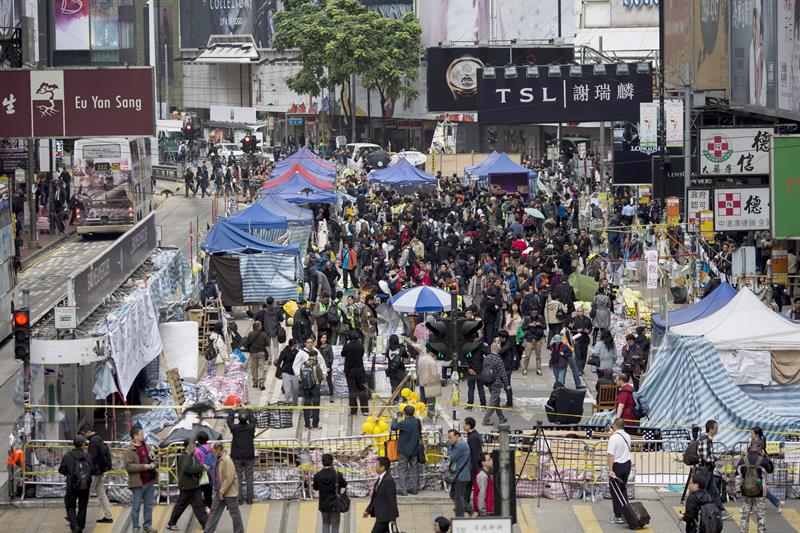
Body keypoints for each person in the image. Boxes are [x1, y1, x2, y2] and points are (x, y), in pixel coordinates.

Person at [735, 427, 774, 533]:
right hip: (760, 489)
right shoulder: (763, 460)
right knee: (761, 512)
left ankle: (743, 530)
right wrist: (766, 456)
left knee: (745, 512)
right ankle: (761, 530)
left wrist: (738, 490)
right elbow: (770, 470)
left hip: (745, 490)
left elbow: (738, 477)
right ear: (760, 448)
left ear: (750, 447)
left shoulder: (743, 460)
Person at [166, 439, 208, 531]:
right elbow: (189, 469)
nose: (195, 448)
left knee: (198, 505)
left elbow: (195, 467)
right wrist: (201, 467)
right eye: (193, 446)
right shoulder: (184, 457)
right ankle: (172, 522)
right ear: (189, 447)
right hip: (187, 486)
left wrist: (200, 469)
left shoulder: (192, 456)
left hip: (194, 485)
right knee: (182, 505)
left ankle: (206, 525)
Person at [204, 442, 245, 533]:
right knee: (214, 512)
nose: (211, 453)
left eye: (212, 451)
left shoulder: (227, 460)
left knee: (234, 514)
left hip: (229, 492)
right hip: (219, 491)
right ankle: (207, 531)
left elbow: (229, 477)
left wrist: (222, 491)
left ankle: (239, 531)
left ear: (218, 450)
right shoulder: (218, 459)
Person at [124, 426, 158, 533]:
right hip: (138, 483)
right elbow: (129, 466)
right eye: (141, 434)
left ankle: (147, 525)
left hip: (149, 480)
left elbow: (155, 459)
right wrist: (143, 467)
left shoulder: (147, 446)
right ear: (135, 436)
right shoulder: (129, 451)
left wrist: (154, 464)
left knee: (148, 505)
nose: (143, 435)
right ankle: (135, 527)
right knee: (136, 506)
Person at [79, 425, 113, 524]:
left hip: (94, 473)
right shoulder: (99, 438)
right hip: (99, 472)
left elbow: (92, 458)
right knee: (102, 494)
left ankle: (77, 516)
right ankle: (108, 515)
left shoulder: (93, 441)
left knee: (84, 494)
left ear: (88, 431)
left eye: (84, 434)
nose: (84, 437)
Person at [697, 419, 731, 519]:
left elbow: (707, 455)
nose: (717, 430)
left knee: (714, 491)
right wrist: (713, 459)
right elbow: (704, 457)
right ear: (711, 429)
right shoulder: (704, 439)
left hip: (708, 470)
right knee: (702, 492)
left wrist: (715, 457)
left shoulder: (708, 439)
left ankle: (721, 511)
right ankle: (695, 512)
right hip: (705, 470)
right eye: (716, 428)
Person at [58, 436, 92, 533]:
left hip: (71, 485)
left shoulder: (68, 456)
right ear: (82, 445)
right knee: (83, 505)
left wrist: (70, 474)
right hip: (85, 485)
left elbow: (61, 470)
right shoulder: (87, 456)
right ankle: (80, 526)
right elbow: (92, 469)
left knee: (70, 505)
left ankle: (74, 525)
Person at [227, 406, 256, 504]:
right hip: (249, 456)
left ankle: (239, 499)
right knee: (249, 476)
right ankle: (249, 498)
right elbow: (253, 420)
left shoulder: (234, 428)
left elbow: (229, 421)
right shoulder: (251, 427)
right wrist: (247, 409)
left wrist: (232, 410)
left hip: (237, 456)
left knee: (238, 477)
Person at [312, 453, 348, 533]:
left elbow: (315, 487)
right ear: (332, 462)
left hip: (323, 503)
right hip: (335, 503)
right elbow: (344, 484)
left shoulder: (317, 475)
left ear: (322, 462)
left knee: (325, 523)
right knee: (335, 524)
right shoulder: (337, 474)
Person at [390, 404, 421, 496]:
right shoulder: (417, 421)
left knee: (402, 470)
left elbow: (393, 426)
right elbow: (419, 432)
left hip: (403, 451)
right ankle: (415, 489)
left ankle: (403, 490)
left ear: (404, 413)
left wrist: (395, 418)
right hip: (414, 450)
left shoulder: (403, 423)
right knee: (414, 470)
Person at [606, 417, 632, 525]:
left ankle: (618, 516)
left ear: (615, 426)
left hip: (618, 466)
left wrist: (610, 469)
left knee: (615, 491)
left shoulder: (613, 438)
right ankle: (626, 513)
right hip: (627, 464)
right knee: (623, 489)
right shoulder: (627, 436)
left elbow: (610, 455)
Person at [363, 456, 399, 533]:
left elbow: (392, 500)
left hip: (385, 517)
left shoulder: (388, 480)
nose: (375, 467)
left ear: (382, 467)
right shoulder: (381, 478)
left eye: (377, 465)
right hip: (381, 515)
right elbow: (375, 497)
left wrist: (393, 518)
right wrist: (368, 510)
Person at [341, 330, 370, 415]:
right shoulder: (360, 346)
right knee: (362, 390)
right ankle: (365, 410)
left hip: (350, 372)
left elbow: (343, 354)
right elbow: (361, 354)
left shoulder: (347, 346)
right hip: (360, 371)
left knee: (352, 391)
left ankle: (353, 410)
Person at [482, 342, 510, 426]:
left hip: (489, 381)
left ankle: (501, 418)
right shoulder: (498, 360)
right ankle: (486, 419)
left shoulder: (487, 358)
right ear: (498, 349)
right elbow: (503, 373)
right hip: (496, 383)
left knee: (496, 400)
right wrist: (507, 384)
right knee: (493, 401)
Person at [446, 429, 473, 517]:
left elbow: (452, 457)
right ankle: (468, 507)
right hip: (458, 474)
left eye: (450, 438)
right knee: (453, 494)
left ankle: (460, 516)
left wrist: (449, 446)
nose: (449, 440)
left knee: (458, 497)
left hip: (461, 475)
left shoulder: (460, 445)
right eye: (448, 438)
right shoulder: (458, 444)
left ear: (457, 436)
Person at [296, 348, 324, 429]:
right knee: (316, 406)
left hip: (306, 388)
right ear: (315, 357)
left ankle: (307, 425)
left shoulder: (303, 365)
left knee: (306, 407)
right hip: (315, 388)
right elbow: (320, 377)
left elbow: (301, 377)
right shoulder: (316, 366)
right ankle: (315, 425)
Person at [242, 320, 269, 390]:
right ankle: (261, 383)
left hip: (253, 353)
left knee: (254, 367)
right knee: (261, 367)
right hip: (261, 353)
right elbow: (267, 344)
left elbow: (247, 342)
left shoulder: (250, 334)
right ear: (259, 326)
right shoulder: (263, 334)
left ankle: (255, 382)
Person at [521, 307, 546, 376]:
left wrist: (539, 324)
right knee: (527, 355)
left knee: (538, 355)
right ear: (530, 312)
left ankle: (538, 369)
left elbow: (545, 327)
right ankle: (525, 369)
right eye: (533, 312)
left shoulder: (540, 318)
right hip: (529, 338)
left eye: (535, 312)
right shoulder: (527, 318)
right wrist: (529, 325)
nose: (534, 314)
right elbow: (523, 328)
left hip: (538, 338)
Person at [417, 348, 442, 417]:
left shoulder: (421, 359)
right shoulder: (432, 361)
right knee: (431, 402)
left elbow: (418, 370)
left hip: (422, 381)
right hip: (431, 382)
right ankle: (430, 415)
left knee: (422, 400)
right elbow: (434, 374)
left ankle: (421, 414)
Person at [194, 431, 216, 510]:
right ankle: (209, 506)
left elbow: (196, 461)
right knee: (208, 490)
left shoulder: (197, 450)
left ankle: (201, 506)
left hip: (201, 472)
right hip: (210, 471)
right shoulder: (211, 447)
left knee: (199, 490)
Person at [276, 339, 300, 404]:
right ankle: (287, 402)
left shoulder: (297, 352)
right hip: (286, 372)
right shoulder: (284, 352)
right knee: (287, 389)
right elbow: (279, 362)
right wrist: (279, 371)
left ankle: (295, 402)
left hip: (294, 373)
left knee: (295, 389)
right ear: (294, 345)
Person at [570, 305, 592, 372]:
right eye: (578, 311)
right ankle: (578, 369)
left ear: (583, 312)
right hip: (577, 340)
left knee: (584, 355)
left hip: (585, 340)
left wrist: (588, 331)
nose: (579, 313)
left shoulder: (587, 320)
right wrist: (576, 330)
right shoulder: (573, 319)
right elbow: (570, 329)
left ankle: (581, 368)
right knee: (578, 355)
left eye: (581, 311)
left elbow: (590, 329)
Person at [385, 334, 407, 399]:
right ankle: (404, 399)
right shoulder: (400, 349)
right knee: (403, 386)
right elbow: (406, 356)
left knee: (394, 386)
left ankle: (395, 400)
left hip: (391, 371)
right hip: (400, 370)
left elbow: (386, 358)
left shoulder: (388, 349)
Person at [317, 333, 335, 402]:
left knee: (329, 381)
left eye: (325, 338)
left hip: (327, 367)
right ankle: (317, 395)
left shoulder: (329, 347)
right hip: (319, 367)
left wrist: (329, 366)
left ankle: (331, 395)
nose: (324, 339)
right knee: (318, 382)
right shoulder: (317, 348)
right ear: (320, 339)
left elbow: (331, 358)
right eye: (322, 338)